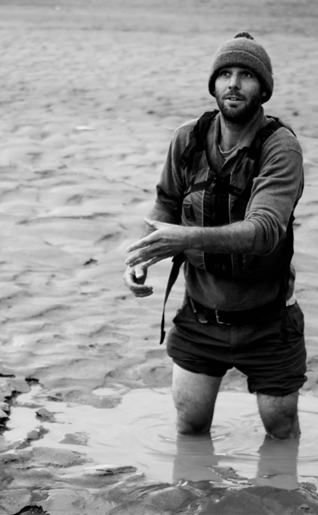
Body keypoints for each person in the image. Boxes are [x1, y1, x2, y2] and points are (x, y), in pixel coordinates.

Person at [124, 32, 306, 440]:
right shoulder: (187, 139)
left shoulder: (280, 148)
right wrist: (140, 256)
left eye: (245, 75)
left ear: (264, 89)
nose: (234, 84)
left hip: (269, 321)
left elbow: (264, 231)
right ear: (213, 84)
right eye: (224, 74)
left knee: (280, 429)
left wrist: (185, 239)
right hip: (200, 317)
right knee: (189, 427)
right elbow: (165, 203)